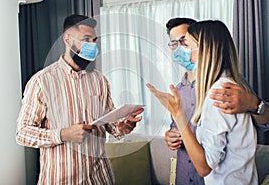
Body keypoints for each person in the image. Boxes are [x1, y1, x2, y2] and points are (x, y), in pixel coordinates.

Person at [16, 14, 144, 185]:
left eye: (94, 40)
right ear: (68, 39)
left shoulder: (99, 80)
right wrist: (62, 134)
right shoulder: (41, 82)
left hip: (101, 178)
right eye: (86, 39)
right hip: (61, 180)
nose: (93, 45)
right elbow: (22, 133)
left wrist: (124, 126)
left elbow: (111, 126)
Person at [147, 20, 258, 184]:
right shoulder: (183, 90)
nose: (187, 53)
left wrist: (179, 115)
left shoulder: (221, 93)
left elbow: (204, 167)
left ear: (205, 49)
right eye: (174, 44)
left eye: (187, 45)